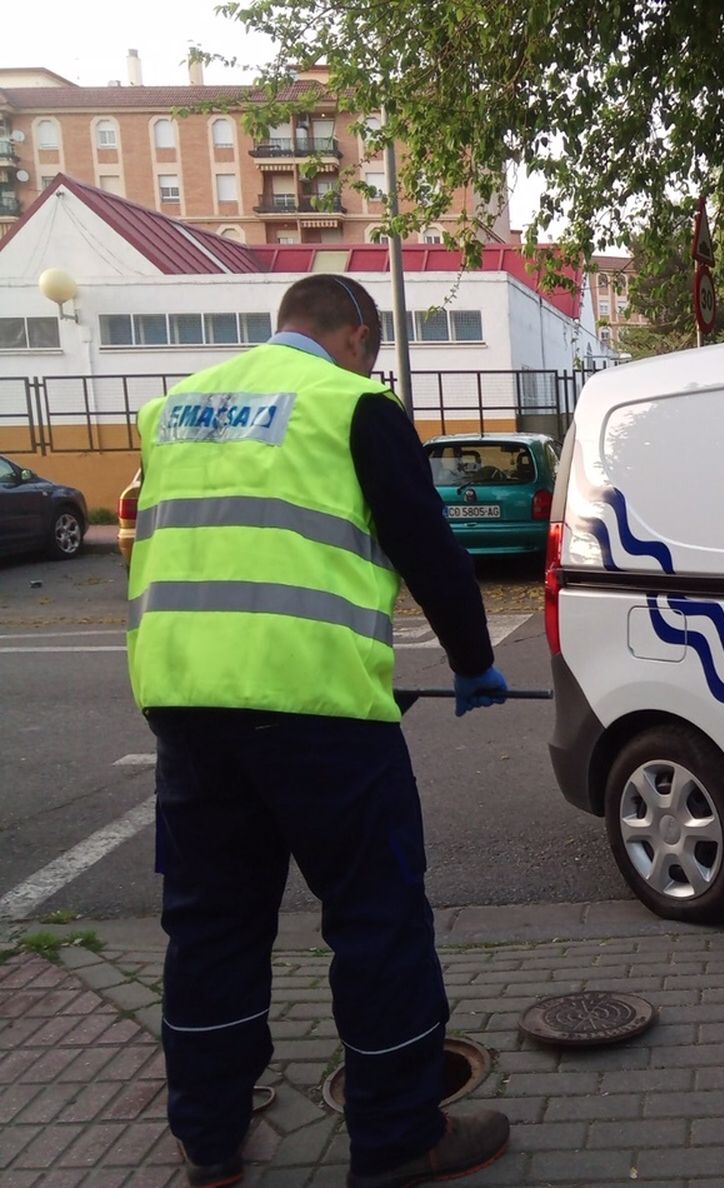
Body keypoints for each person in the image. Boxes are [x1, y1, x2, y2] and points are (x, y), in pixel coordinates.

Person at [127, 275, 512, 1188]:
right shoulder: (353, 406)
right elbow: (428, 544)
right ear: (357, 336)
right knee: (378, 923)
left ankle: (210, 1142)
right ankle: (398, 1141)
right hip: (320, 716)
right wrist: (472, 660)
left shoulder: (174, 413)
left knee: (211, 928)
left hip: (187, 710)